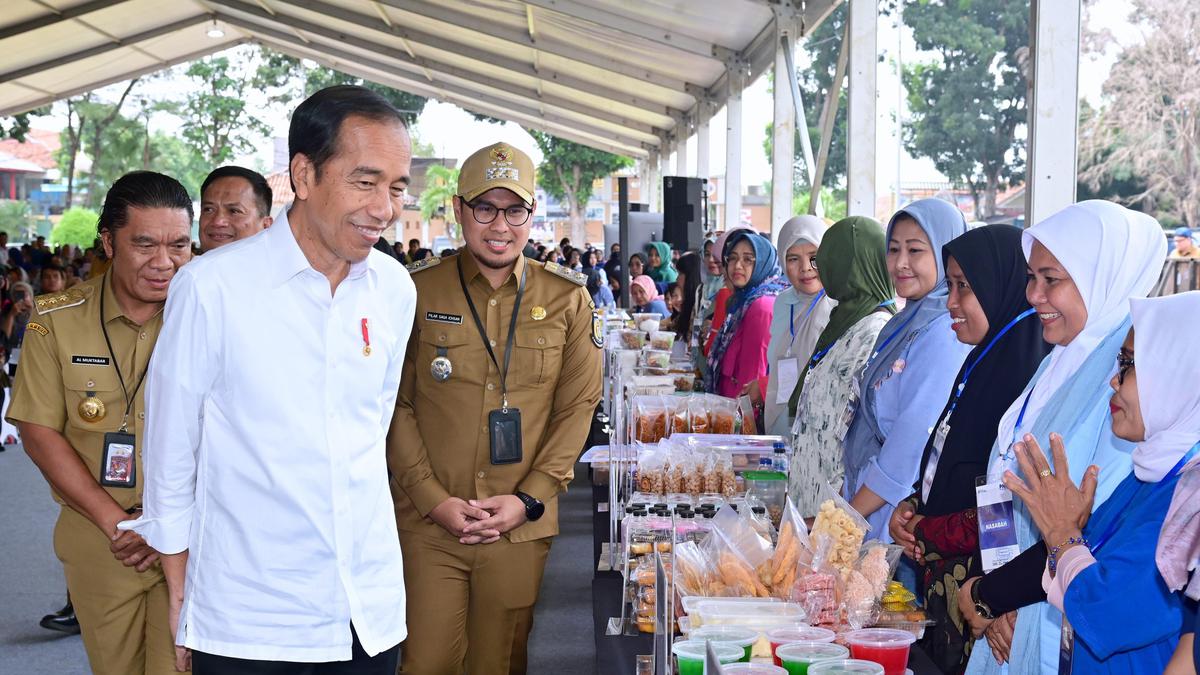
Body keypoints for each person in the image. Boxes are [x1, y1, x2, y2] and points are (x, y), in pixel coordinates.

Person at [121, 86, 415, 674]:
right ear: (303, 175)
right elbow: (173, 452)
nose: (384, 208)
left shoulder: (394, 289)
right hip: (248, 623)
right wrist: (182, 591)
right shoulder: (213, 287)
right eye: (365, 182)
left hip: (367, 614)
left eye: (397, 186)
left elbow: (370, 434)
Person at [387, 141, 602, 675]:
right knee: (425, 662)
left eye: (515, 210)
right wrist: (433, 500)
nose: (499, 225)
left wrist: (528, 499)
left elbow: (577, 408)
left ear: (532, 216)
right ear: (459, 210)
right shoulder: (414, 292)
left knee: (500, 663)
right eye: (485, 208)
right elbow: (393, 404)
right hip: (429, 523)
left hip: (519, 524)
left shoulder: (566, 299)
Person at [960, 201, 1167, 674]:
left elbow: (1092, 518)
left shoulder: (1128, 382)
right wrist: (994, 584)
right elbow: (1005, 476)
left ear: (1102, 275)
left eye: (1051, 279)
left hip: (1054, 606)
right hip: (1011, 593)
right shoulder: (1060, 359)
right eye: (1031, 278)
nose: (1033, 295)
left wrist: (997, 595)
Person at [6, 171, 193, 675]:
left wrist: (170, 522)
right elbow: (39, 431)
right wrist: (119, 523)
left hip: (193, 536)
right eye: (145, 243)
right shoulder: (55, 318)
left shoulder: (208, 315)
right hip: (103, 539)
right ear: (109, 241)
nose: (164, 262)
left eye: (179, 244)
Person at [994, 291, 1200, 672]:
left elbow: (1109, 612)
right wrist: (1019, 600)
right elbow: (1084, 559)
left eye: (1128, 364)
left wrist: (1061, 532)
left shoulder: (1191, 498)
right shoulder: (1151, 475)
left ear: (1179, 372)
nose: (1113, 381)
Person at [887, 225, 1052, 673]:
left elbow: (1010, 505)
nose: (951, 303)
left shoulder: (1021, 374)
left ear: (1000, 286)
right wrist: (912, 505)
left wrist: (926, 531)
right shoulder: (982, 361)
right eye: (950, 286)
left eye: (964, 287)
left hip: (984, 594)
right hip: (950, 588)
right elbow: (951, 462)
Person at [841, 199, 971, 539]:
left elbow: (911, 442)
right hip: (874, 499)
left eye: (915, 251)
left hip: (895, 513)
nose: (900, 263)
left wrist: (847, 519)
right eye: (893, 249)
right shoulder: (905, 322)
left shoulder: (946, 332)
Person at [788, 217, 895, 517]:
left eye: (827, 259)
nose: (820, 268)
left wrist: (836, 514)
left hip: (837, 507)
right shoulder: (843, 320)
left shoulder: (875, 331)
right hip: (811, 493)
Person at [755, 216, 836, 436]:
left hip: (816, 428)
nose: (805, 268)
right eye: (793, 259)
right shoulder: (782, 302)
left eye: (814, 257)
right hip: (778, 415)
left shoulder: (837, 305)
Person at [705, 230, 788, 399]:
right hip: (728, 408)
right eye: (733, 258)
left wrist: (740, 422)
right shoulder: (741, 301)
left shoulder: (761, 306)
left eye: (748, 259)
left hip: (740, 415)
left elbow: (753, 378)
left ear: (763, 263)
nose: (737, 265)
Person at [197, 165, 273, 252]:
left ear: (266, 225)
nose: (218, 222)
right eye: (208, 209)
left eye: (234, 211)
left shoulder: (283, 264)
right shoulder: (187, 265)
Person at [670, 252, 702, 343]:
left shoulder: (697, 307)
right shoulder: (688, 304)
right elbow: (673, 326)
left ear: (690, 277)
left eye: (680, 274)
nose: (676, 279)